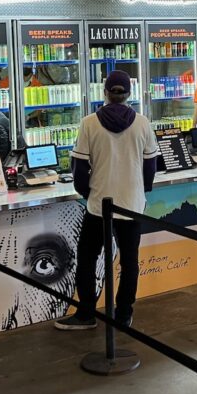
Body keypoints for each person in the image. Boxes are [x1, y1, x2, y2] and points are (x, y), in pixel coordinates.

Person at [55, 70, 158, 330]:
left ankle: (87, 312)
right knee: (129, 262)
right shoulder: (143, 123)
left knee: (88, 257)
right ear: (129, 94)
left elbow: (78, 167)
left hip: (99, 205)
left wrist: (87, 193)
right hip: (132, 204)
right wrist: (141, 190)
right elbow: (150, 166)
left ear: (105, 93)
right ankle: (123, 313)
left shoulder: (89, 123)